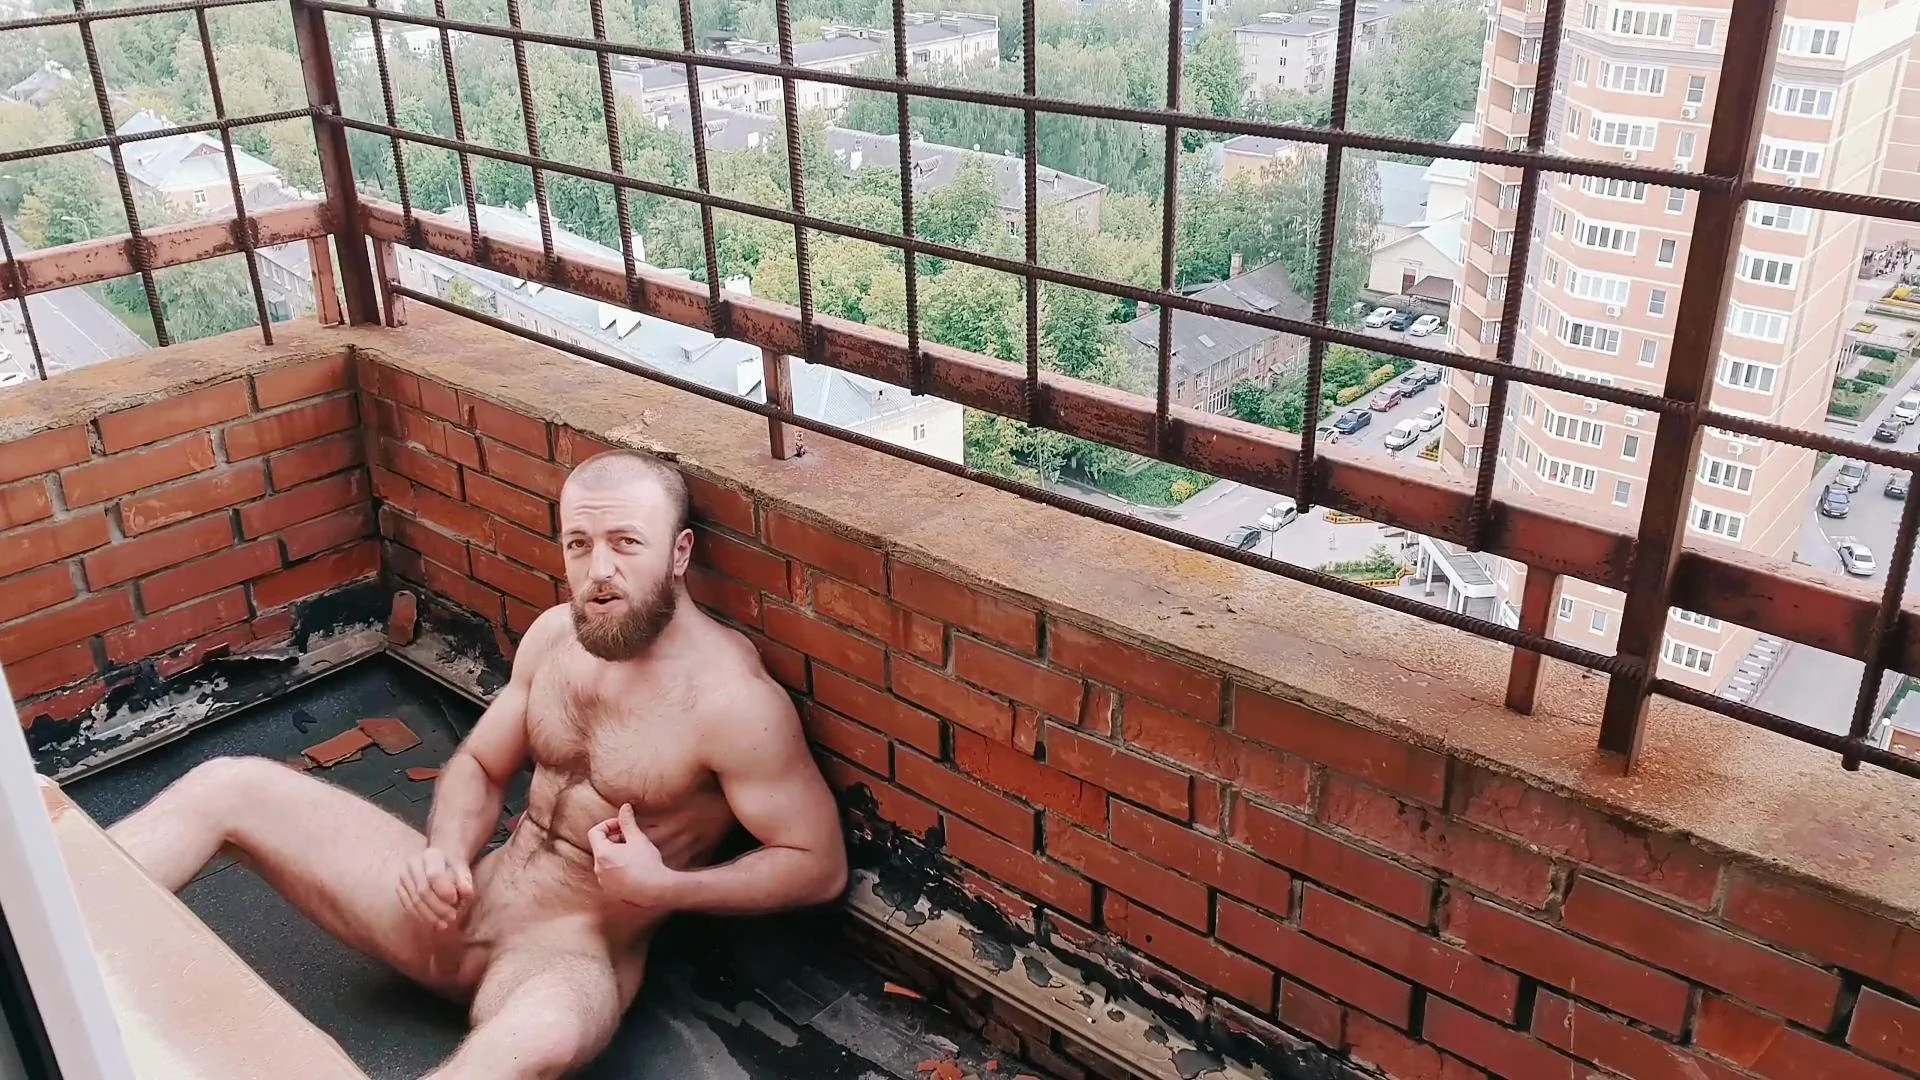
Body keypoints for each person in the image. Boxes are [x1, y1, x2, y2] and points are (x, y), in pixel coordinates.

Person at [106, 449, 849, 1079]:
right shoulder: (556, 638)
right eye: (579, 544)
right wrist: (445, 854)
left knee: (528, 1043)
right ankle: (55, 938)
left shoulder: (731, 702)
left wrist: (668, 886)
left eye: (627, 543)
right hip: (462, 905)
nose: (599, 571)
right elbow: (481, 767)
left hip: (564, 958)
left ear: (679, 553)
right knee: (227, 786)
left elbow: (817, 865)